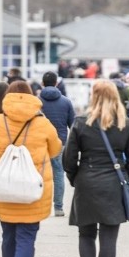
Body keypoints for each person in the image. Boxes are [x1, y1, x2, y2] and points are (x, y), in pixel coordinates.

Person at [63, 80, 129, 257]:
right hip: (113, 184)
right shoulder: (123, 124)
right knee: (109, 239)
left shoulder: (81, 123)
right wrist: (125, 175)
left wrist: (75, 178)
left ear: (93, 96)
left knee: (85, 234)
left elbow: (68, 158)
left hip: (86, 181)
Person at [0, 81, 62, 257]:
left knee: (8, 236)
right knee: (26, 238)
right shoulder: (42, 122)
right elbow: (56, 149)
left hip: (4, 187)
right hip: (32, 189)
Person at [39, 71, 75, 217]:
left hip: (39, 141)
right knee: (58, 173)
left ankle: (40, 205)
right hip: (59, 142)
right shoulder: (66, 101)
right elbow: (73, 124)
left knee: (39, 173)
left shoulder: (36, 101)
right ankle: (58, 207)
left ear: (42, 83)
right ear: (56, 83)